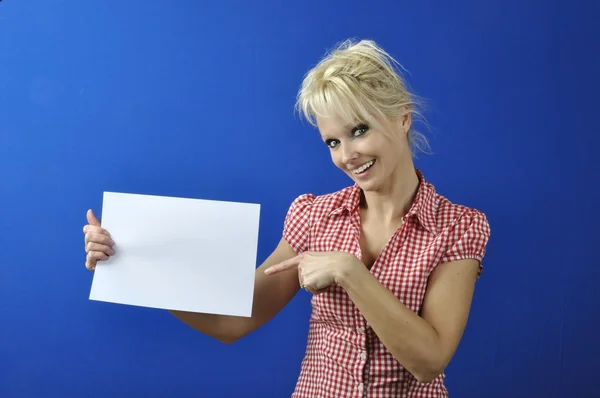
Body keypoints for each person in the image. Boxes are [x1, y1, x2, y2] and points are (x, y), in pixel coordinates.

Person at [83, 39, 491, 397]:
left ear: (402, 118)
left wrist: (351, 272)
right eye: (332, 141)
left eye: (359, 130)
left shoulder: (459, 227)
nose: (347, 155)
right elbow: (233, 322)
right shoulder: (313, 217)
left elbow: (429, 361)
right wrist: (134, 265)